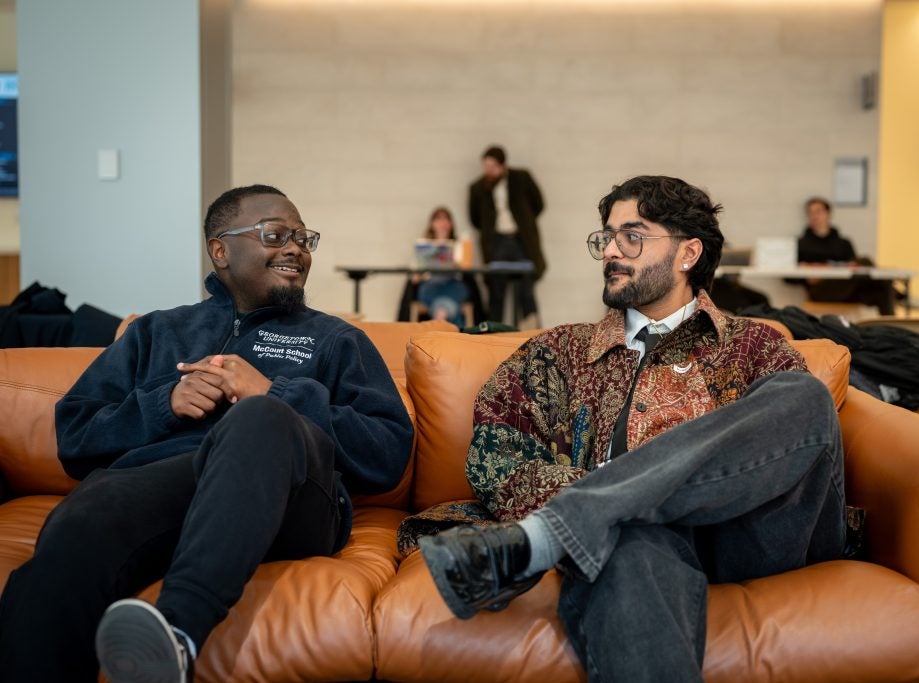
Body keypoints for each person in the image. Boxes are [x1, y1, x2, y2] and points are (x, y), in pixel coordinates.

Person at [417, 175, 846, 682]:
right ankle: (592, 522)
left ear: (688, 253)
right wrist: (621, 509)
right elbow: (495, 452)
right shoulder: (562, 353)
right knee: (625, 541)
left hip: (749, 536)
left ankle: (553, 533)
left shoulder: (753, 347)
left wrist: (599, 498)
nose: (611, 252)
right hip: (641, 547)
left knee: (803, 397)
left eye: (632, 236)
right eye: (607, 236)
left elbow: (796, 442)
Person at [0, 185, 414, 683]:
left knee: (261, 419)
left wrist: (274, 393)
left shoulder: (336, 339)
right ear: (221, 250)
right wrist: (163, 404)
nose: (296, 249)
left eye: (304, 239)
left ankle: (178, 633)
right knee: (82, 522)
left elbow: (388, 450)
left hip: (290, 501)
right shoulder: (155, 332)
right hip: (163, 490)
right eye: (275, 235)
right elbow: (75, 434)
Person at [468, 145, 545, 327]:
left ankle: (532, 330)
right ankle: (494, 330)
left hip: (521, 240)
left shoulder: (522, 178)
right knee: (496, 289)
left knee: (526, 289)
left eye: (493, 166)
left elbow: (539, 204)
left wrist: (523, 222)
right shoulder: (478, 188)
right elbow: (475, 219)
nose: (489, 171)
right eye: (486, 166)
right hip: (497, 242)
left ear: (502, 165)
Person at [797, 196, 897, 315]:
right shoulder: (801, 243)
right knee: (866, 262)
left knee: (881, 289)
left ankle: (889, 328)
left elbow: (856, 271)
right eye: (811, 212)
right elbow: (788, 277)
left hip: (846, 289)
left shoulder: (844, 243)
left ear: (828, 214)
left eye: (818, 211)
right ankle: (899, 294)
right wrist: (805, 275)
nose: (814, 216)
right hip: (821, 291)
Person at [413, 207, 472, 327]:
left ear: (451, 224)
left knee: (451, 294)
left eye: (446, 220)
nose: (442, 223)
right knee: (442, 303)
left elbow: (467, 270)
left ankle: (439, 320)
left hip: (452, 285)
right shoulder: (424, 245)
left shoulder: (459, 244)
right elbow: (415, 278)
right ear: (432, 224)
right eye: (438, 219)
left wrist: (458, 261)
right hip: (431, 286)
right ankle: (454, 328)